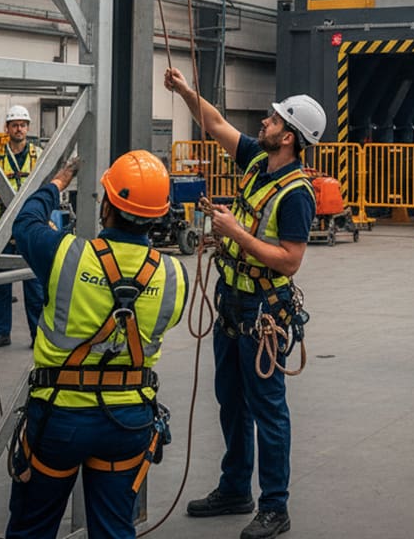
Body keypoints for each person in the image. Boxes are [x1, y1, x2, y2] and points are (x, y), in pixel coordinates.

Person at [163, 66, 321, 539]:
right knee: (231, 401)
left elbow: (289, 261)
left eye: (273, 120)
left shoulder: (297, 193)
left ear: (289, 137)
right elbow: (214, 124)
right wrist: (186, 92)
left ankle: (275, 505)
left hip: (263, 311)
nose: (264, 123)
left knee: (268, 409)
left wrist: (234, 233)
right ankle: (235, 487)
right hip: (231, 301)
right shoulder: (256, 161)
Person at [4, 151, 188, 538]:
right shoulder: (174, 274)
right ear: (158, 215)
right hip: (128, 422)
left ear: (107, 205)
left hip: (60, 418)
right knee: (113, 528)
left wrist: (60, 179)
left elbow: (24, 223)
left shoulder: (67, 254)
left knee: (33, 527)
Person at [0, 105, 51, 349]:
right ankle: (1, 333)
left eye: (23, 124)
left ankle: (37, 335)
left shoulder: (39, 154)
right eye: (15, 125)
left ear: (28, 128)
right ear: (8, 128)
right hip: (0, 226)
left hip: (30, 227)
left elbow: (45, 190)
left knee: (34, 286)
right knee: (1, 286)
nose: (19, 128)